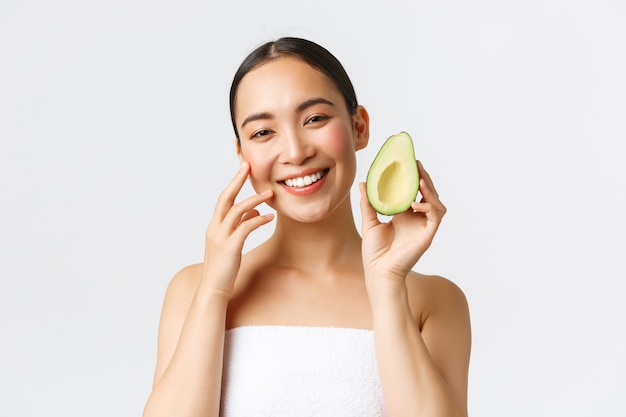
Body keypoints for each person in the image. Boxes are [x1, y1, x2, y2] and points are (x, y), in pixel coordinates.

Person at [142, 36, 471, 417]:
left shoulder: (434, 301)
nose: (296, 152)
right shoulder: (194, 290)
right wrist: (213, 293)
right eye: (263, 132)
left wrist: (387, 286)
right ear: (242, 153)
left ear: (359, 127)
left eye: (315, 119)